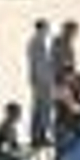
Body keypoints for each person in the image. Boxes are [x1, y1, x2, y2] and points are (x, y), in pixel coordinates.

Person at [25, 19, 55, 149]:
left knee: (44, 110)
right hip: (40, 82)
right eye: (45, 29)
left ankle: (41, 136)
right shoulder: (35, 43)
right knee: (39, 110)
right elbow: (35, 65)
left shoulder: (40, 42)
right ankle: (36, 137)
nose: (47, 31)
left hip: (44, 81)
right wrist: (37, 81)